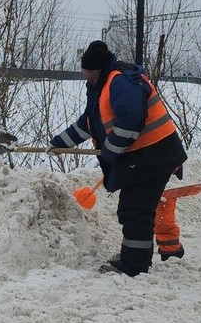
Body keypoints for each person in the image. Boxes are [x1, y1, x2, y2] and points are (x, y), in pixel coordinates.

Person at [50, 40, 188, 276]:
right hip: (147, 154)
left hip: (155, 153)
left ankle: (134, 266)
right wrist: (59, 143)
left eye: (85, 70)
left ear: (95, 69)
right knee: (136, 208)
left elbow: (131, 119)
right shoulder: (101, 87)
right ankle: (151, 255)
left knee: (135, 210)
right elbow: (90, 123)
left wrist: (111, 150)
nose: (84, 75)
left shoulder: (119, 81)